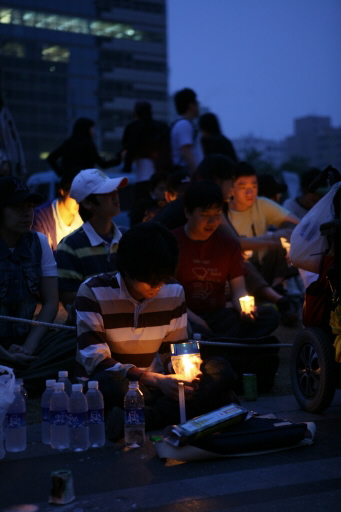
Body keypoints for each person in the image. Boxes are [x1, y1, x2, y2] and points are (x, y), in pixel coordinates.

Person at [75, 222, 238, 438]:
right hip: (125, 383)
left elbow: (173, 350)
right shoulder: (93, 291)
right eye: (150, 281)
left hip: (159, 387)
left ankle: (141, 417)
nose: (157, 287)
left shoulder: (173, 291)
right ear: (127, 271)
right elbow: (95, 359)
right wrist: (154, 380)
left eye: (161, 280)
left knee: (219, 369)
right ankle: (199, 407)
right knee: (107, 384)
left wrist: (185, 373)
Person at [172, 180, 280, 339]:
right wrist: (198, 322)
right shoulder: (171, 242)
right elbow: (170, 298)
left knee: (268, 316)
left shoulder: (228, 245)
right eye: (204, 215)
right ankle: (229, 345)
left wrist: (244, 310)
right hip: (185, 316)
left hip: (219, 315)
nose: (212, 222)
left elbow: (239, 290)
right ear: (187, 212)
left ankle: (215, 343)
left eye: (216, 215)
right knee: (186, 329)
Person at [0, 176, 76, 394]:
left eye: (30, 206)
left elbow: (51, 303)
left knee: (75, 338)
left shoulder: (40, 242)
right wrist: (7, 354)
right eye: (17, 207)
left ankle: (13, 377)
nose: (27, 213)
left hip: (27, 341)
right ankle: (23, 377)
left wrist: (27, 347)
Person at [55, 168, 128, 309]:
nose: (115, 194)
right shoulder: (71, 246)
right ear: (88, 203)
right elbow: (67, 296)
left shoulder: (128, 238)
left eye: (115, 189)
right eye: (107, 191)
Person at [227, 162, 300, 294]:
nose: (249, 192)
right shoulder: (224, 212)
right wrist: (270, 239)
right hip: (237, 272)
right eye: (242, 187)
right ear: (231, 189)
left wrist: (284, 236)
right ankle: (273, 297)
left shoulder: (261, 204)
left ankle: (277, 287)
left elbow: (298, 224)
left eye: (254, 186)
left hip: (264, 268)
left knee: (286, 236)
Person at [47, 117, 119, 182]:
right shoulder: (89, 144)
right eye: (91, 128)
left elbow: (51, 158)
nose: (93, 131)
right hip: (84, 182)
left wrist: (61, 173)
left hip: (68, 182)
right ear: (86, 130)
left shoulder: (68, 143)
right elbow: (102, 164)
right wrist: (119, 160)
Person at [32, 176, 83, 251]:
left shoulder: (85, 215)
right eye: (75, 195)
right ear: (62, 191)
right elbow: (41, 254)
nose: (79, 201)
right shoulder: (41, 218)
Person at [170, 88, 201, 174]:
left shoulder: (180, 124)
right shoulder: (184, 125)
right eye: (196, 103)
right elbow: (186, 152)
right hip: (186, 173)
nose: (198, 105)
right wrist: (197, 175)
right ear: (191, 105)